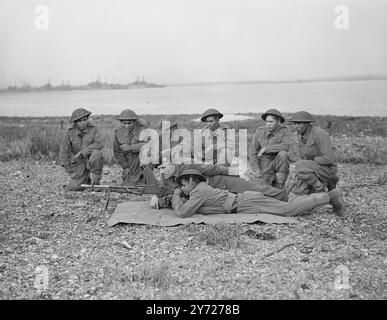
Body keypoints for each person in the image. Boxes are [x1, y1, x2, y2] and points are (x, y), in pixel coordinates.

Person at [171, 169, 345, 218]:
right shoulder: (198, 190)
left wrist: (176, 196)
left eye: (184, 185)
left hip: (245, 203)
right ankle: (324, 198)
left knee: (288, 210)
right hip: (243, 203)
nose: (183, 188)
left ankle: (328, 196)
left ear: (192, 181)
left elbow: (183, 212)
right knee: (287, 207)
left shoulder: (198, 191)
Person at [159, 163, 290, 201]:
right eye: (160, 169)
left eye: (164, 168)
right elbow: (171, 190)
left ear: (171, 166)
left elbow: (214, 169)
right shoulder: (170, 178)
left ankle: (285, 196)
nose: (162, 171)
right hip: (218, 194)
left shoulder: (187, 168)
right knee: (254, 197)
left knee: (257, 189)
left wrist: (238, 173)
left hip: (225, 183)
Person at [289, 111, 339, 195]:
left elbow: (328, 159)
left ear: (308, 124)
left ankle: (320, 187)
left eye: (299, 124)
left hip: (327, 169)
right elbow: (304, 158)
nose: (296, 126)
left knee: (299, 165)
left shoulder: (320, 134)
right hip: (312, 168)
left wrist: (313, 160)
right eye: (295, 124)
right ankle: (325, 183)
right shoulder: (301, 136)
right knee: (294, 189)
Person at [59, 108, 104, 191]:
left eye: (85, 119)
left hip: (91, 158)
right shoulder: (69, 131)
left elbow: (99, 144)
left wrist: (83, 152)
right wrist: (68, 168)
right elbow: (63, 151)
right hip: (78, 162)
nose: (83, 122)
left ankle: (96, 182)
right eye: (80, 121)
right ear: (75, 123)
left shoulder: (93, 128)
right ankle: (86, 180)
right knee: (74, 187)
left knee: (97, 154)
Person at [249, 108, 293, 188]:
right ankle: (273, 182)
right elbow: (252, 152)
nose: (268, 124)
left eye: (271, 122)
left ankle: (281, 184)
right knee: (264, 188)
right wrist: (256, 170)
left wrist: (267, 148)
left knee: (283, 154)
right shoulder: (260, 132)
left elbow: (287, 146)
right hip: (265, 162)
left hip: (278, 161)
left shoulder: (284, 131)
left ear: (278, 122)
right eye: (267, 121)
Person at [113, 109, 148, 185]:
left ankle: (147, 178)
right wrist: (125, 167)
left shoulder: (143, 128)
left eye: (129, 123)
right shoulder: (117, 132)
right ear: (121, 123)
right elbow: (117, 152)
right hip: (129, 160)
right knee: (130, 184)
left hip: (141, 157)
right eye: (124, 123)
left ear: (134, 122)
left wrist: (132, 147)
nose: (127, 126)